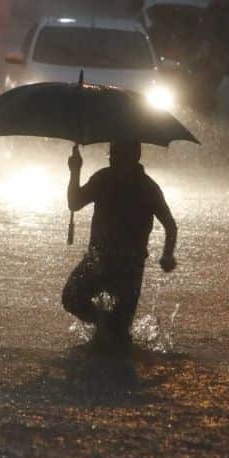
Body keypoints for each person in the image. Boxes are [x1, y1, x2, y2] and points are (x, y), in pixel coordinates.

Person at [61, 140, 177, 345]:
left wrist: (167, 254)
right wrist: (75, 170)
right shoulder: (103, 179)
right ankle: (104, 323)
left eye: (118, 155)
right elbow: (75, 203)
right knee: (71, 298)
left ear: (134, 157)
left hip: (128, 266)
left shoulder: (146, 187)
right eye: (112, 155)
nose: (113, 159)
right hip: (99, 260)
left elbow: (170, 225)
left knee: (120, 335)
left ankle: (109, 331)